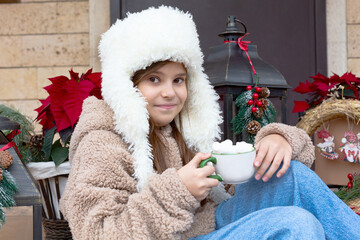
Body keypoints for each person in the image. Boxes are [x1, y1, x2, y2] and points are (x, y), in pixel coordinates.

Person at [59, 6, 359, 240]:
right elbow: (96, 232)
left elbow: (226, 186)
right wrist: (179, 190)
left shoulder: (181, 126)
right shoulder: (102, 141)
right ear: (126, 85)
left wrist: (278, 140)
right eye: (154, 80)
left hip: (210, 222)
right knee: (296, 224)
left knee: (290, 173)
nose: (170, 92)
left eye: (178, 80)